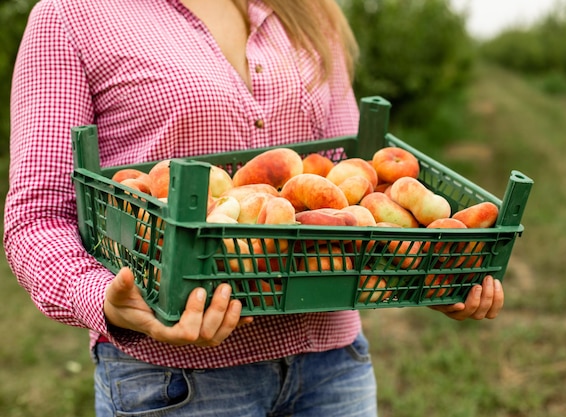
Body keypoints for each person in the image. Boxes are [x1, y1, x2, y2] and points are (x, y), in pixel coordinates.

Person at [4, 0, 504, 415]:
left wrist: (417, 271)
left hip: (332, 362)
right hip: (176, 383)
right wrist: (108, 301)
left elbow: (350, 184)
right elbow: (37, 216)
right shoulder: (73, 15)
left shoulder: (306, 10)